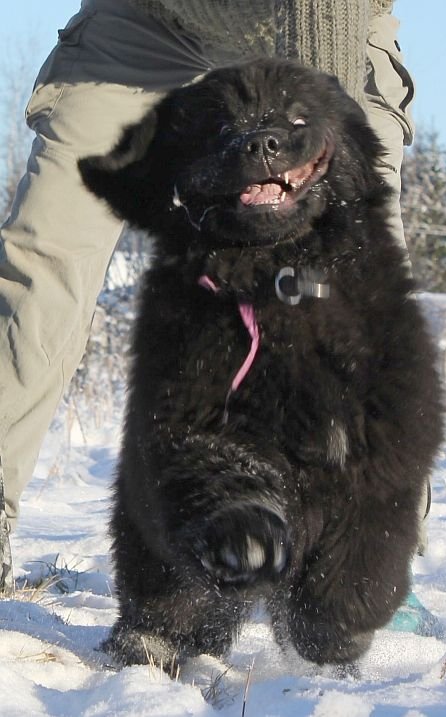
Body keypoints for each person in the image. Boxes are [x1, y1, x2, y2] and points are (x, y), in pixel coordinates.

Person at [0, 0, 416, 593]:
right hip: (149, 20)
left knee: (351, 268)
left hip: (325, 23)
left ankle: (367, 554)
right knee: (42, 256)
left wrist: (314, 146)